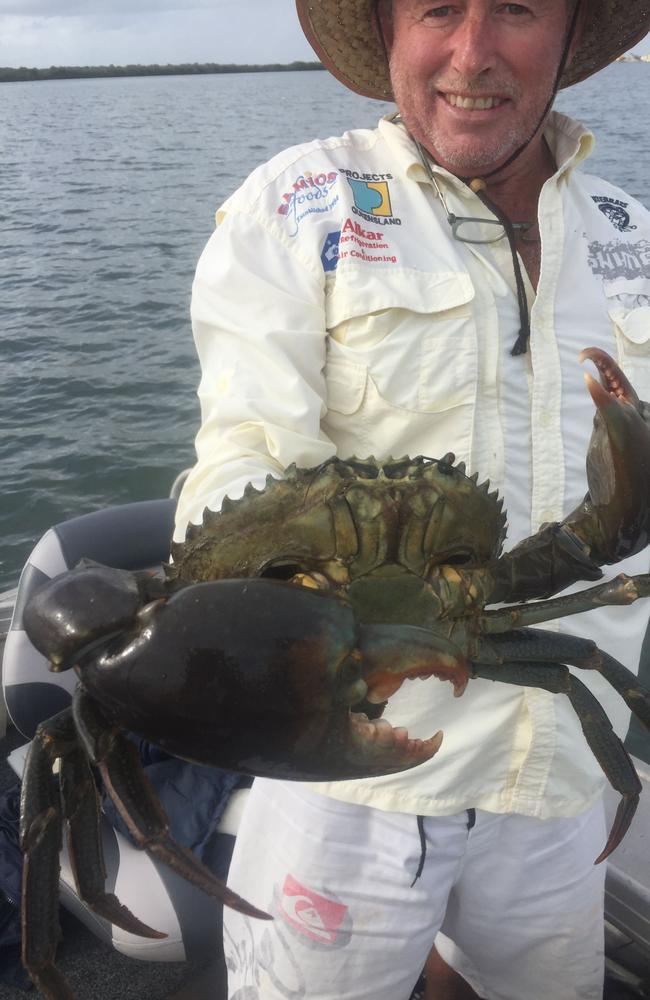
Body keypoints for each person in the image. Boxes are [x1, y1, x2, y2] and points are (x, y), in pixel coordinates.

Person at [173, 1, 650, 997]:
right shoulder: (302, 204)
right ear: (389, 31)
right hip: (345, 778)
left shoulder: (627, 237)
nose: (469, 54)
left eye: (514, 8)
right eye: (436, 7)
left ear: (568, 35)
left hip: (558, 773)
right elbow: (243, 455)